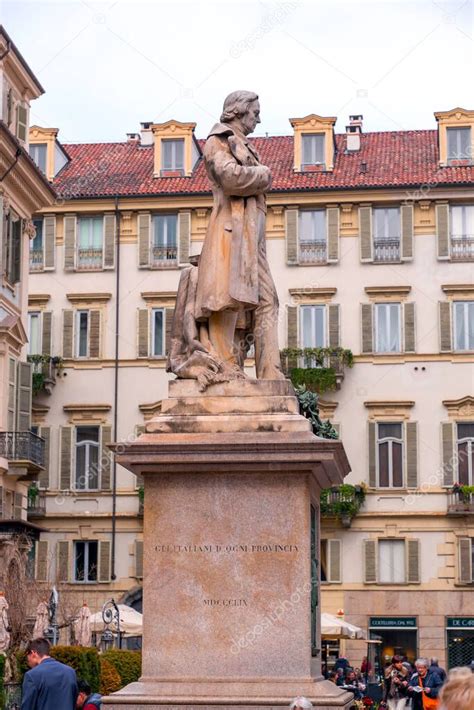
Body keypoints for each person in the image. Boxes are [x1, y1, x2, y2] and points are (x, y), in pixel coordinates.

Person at [21, 637, 78, 710]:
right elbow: (73, 702)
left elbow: (27, 707)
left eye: (27, 655)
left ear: (33, 653)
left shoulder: (32, 675)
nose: (27, 660)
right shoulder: (70, 672)